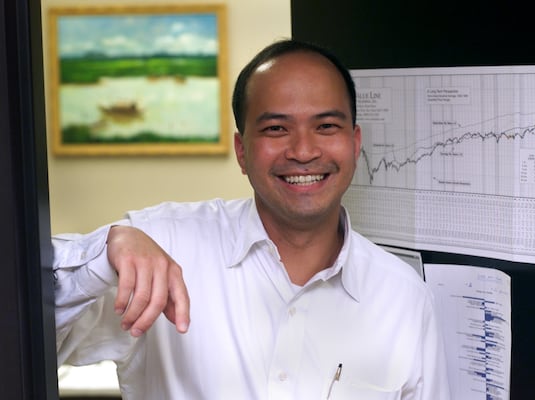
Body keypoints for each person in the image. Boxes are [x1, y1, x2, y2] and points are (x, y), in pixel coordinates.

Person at [53, 39, 451, 400]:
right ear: (242, 151)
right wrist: (106, 250)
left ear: (354, 142)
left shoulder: (403, 297)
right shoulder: (162, 246)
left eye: (326, 126)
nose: (303, 150)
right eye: (277, 128)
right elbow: (31, 336)